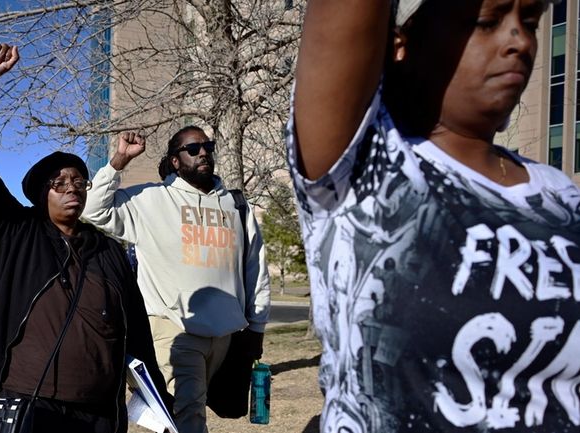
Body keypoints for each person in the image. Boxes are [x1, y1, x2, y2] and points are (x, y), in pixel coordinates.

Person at [288, 1, 580, 432]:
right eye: (485, 22)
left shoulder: (562, 197)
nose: (519, 41)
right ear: (401, 44)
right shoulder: (368, 167)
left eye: (530, 23)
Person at [0, 43, 170, 433]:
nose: (71, 188)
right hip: (27, 408)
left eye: (78, 181)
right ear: (43, 194)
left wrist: (155, 388)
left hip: (99, 414)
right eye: (59, 183)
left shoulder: (108, 249)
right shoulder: (15, 232)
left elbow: (135, 326)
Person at [81, 128, 271, 433]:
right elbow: (92, 209)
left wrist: (257, 326)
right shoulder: (150, 200)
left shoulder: (236, 205)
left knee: (189, 413)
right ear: (175, 160)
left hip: (225, 333)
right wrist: (119, 161)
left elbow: (255, 267)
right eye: (192, 149)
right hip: (173, 328)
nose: (203, 153)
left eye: (207, 146)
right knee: (189, 412)